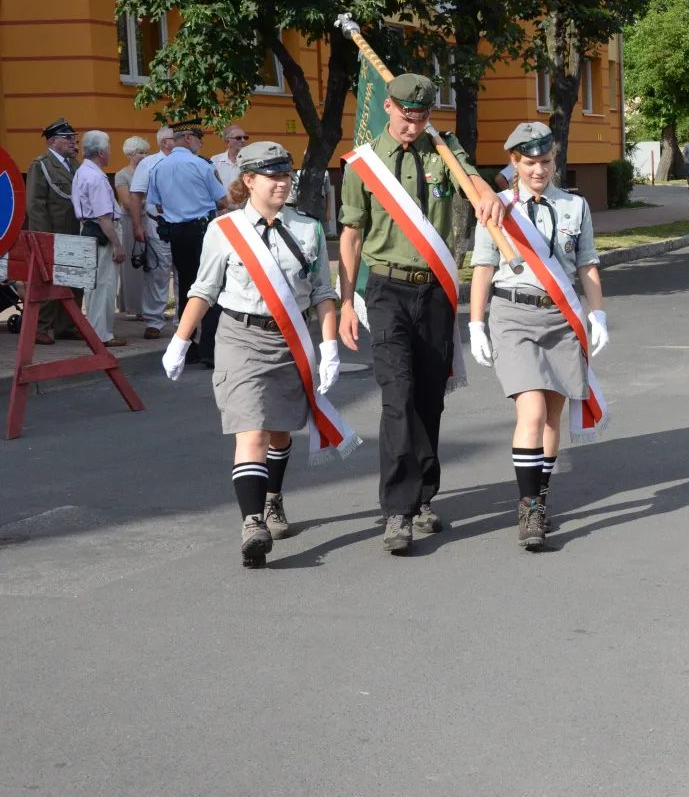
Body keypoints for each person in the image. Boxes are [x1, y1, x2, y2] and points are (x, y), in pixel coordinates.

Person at [338, 73, 507, 554]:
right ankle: (396, 510)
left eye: (422, 117)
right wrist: (347, 301)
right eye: (406, 117)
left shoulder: (442, 150)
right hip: (386, 290)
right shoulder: (363, 165)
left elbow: (471, 177)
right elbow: (350, 236)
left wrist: (485, 190)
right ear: (388, 108)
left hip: (435, 291)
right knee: (398, 396)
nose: (413, 126)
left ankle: (424, 496)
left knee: (430, 397)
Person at [162, 141, 351, 567]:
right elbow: (203, 289)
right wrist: (180, 338)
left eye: (286, 175)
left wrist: (329, 344)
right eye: (274, 176)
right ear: (249, 181)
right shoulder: (224, 231)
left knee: (281, 431)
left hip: (290, 338)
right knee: (252, 430)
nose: (283, 183)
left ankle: (272, 498)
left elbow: (322, 291)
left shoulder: (308, 229)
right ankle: (252, 524)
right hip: (239, 337)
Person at [468, 121, 609, 550]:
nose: (538, 170)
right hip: (513, 315)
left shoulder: (574, 207)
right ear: (514, 163)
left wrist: (598, 315)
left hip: (562, 318)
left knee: (551, 416)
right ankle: (528, 506)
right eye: (529, 163)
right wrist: (475, 323)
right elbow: (483, 268)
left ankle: (540, 498)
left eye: (545, 161)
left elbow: (586, 264)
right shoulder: (497, 208)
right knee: (529, 412)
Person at [147, 120, 228, 367]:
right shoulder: (200, 164)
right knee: (211, 286)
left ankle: (188, 346)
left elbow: (157, 205)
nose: (201, 144)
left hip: (176, 232)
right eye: (200, 139)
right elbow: (223, 201)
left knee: (185, 289)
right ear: (189, 138)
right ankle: (209, 350)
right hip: (202, 231)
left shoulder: (159, 167)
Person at [25, 118, 84, 345]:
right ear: (52, 141)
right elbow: (36, 204)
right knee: (48, 281)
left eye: (74, 138)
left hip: (74, 231)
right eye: (68, 138)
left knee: (76, 278)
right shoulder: (40, 165)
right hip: (52, 233)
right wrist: (43, 237)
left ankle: (67, 325)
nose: (73, 142)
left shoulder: (76, 165)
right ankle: (42, 327)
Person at [71, 131, 127, 347]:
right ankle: (102, 335)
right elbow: (104, 217)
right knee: (104, 285)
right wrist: (117, 244)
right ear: (101, 152)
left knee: (93, 286)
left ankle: (96, 331)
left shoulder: (83, 171)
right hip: (101, 233)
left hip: (89, 230)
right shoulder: (95, 177)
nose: (111, 153)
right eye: (110, 149)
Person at [128, 126, 176, 339]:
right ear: (166, 142)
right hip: (157, 224)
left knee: (186, 273)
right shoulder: (148, 163)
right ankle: (154, 321)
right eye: (178, 138)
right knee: (157, 273)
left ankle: (184, 320)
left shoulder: (190, 161)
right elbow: (135, 196)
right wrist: (138, 226)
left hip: (186, 226)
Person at [114, 136, 150, 320]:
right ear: (130, 154)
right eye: (140, 153)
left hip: (150, 220)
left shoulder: (150, 171)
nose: (145, 156)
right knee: (133, 264)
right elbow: (128, 203)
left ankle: (149, 306)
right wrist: (149, 202)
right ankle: (135, 307)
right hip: (129, 222)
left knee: (150, 264)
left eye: (146, 152)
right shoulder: (122, 175)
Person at [210, 123, 249, 191]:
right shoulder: (215, 160)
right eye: (238, 138)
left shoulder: (251, 161)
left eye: (245, 137)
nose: (243, 140)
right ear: (227, 141)